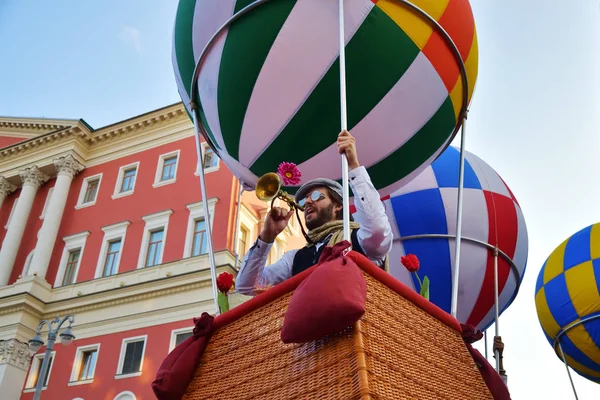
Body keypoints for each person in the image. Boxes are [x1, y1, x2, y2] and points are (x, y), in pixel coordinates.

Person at [236, 130, 393, 296]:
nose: (308, 202)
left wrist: (354, 166)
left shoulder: (357, 238)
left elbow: (378, 231)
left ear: (338, 205)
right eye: (304, 201)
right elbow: (247, 285)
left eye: (317, 196)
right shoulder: (295, 258)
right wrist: (267, 236)